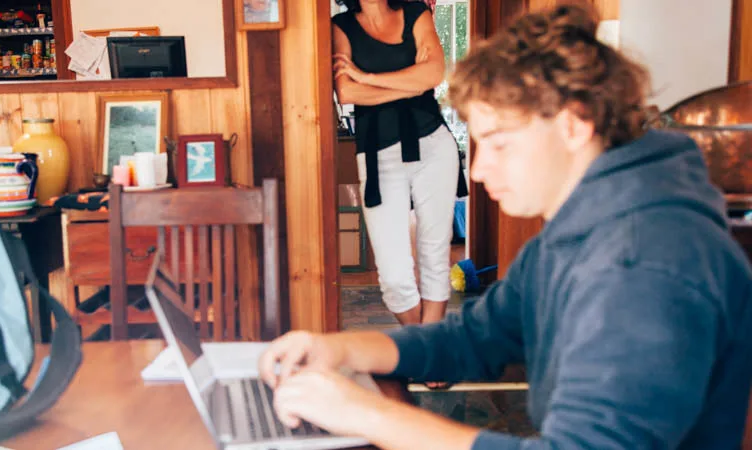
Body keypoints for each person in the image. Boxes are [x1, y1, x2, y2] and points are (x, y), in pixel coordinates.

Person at [259, 3, 752, 449]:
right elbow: (474, 337)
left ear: (573, 124)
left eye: (498, 142)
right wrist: (334, 347)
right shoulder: (578, 229)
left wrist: (366, 414)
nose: (476, 169)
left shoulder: (646, 261)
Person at [332, 0, 468, 326]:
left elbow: (435, 73)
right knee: (393, 273)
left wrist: (368, 77)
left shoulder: (415, 11)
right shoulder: (342, 27)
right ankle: (421, 339)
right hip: (377, 154)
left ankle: (430, 345)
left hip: (433, 144)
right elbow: (346, 93)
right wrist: (410, 82)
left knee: (435, 255)